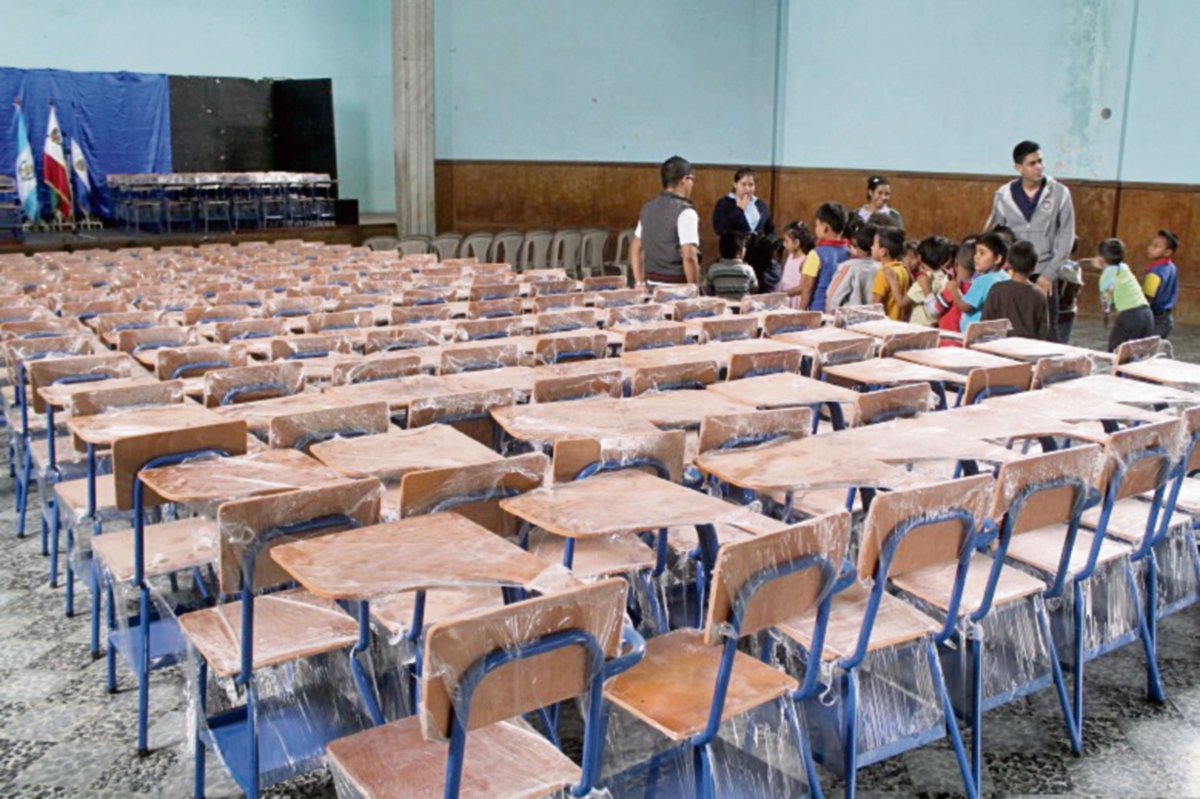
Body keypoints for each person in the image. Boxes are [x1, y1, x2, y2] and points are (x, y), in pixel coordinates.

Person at [985, 140, 1076, 342]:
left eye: (1040, 161)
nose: (1039, 167)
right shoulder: (1004, 195)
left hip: (1044, 273)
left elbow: (1066, 235)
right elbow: (994, 233)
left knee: (1047, 332)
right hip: (1013, 274)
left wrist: (1049, 274)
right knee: (1011, 330)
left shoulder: (1059, 193)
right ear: (1018, 167)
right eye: (1032, 163)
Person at [631, 155, 700, 287]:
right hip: (677, 286)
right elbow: (689, 256)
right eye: (692, 179)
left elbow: (635, 248)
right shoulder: (686, 212)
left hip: (652, 285)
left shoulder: (648, 208)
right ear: (685, 180)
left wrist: (639, 282)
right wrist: (694, 289)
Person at [1093, 238, 1154, 352]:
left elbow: (1106, 302)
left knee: (1116, 351)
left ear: (1101, 259)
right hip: (1147, 314)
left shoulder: (1106, 276)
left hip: (1130, 316)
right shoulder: (1124, 267)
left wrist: (1106, 315)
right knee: (1139, 354)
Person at [982, 240, 1051, 339]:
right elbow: (1043, 330)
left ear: (1008, 263)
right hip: (1028, 349)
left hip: (999, 348)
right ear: (1034, 266)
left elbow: (985, 324)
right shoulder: (1039, 294)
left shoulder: (996, 289)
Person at [949, 232, 1010, 332]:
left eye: (982, 253)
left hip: (974, 335)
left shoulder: (984, 280)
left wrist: (954, 289)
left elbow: (964, 306)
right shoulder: (1005, 277)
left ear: (997, 258)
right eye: (976, 252)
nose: (976, 257)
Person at [797, 202, 850, 312]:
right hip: (840, 310)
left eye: (817, 225)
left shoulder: (816, 254)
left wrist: (801, 310)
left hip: (818, 310)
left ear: (825, 227)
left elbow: (807, 288)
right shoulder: (850, 252)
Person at [928, 240, 976, 341]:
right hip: (966, 340)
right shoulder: (978, 287)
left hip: (948, 340)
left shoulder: (953, 287)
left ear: (956, 263)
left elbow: (933, 310)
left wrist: (926, 290)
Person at [827, 218, 880, 309]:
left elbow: (833, 298)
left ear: (856, 241)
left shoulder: (848, 267)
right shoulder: (881, 266)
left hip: (850, 320)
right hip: (874, 319)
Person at [711, 168, 774, 237]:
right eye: (743, 184)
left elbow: (769, 228)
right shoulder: (723, 203)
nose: (747, 188)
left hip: (756, 247)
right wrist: (739, 210)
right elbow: (719, 229)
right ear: (735, 184)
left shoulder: (759, 204)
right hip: (734, 246)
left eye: (751, 185)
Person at [1143, 229, 1180, 340]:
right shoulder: (1171, 267)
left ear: (1167, 252)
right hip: (1166, 319)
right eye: (1151, 245)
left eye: (1156, 246)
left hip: (1156, 319)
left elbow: (1147, 297)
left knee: (1143, 351)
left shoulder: (1155, 272)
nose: (1150, 248)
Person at [870, 226, 912, 320]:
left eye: (874, 244)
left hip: (884, 326)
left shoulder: (884, 272)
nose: (871, 247)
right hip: (898, 323)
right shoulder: (902, 268)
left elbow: (876, 305)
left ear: (883, 252)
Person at [703, 231, 759, 300]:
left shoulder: (713, 269)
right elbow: (754, 289)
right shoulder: (748, 270)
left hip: (722, 308)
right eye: (744, 248)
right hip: (742, 308)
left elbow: (708, 290)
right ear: (739, 252)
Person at [777, 221, 817, 308]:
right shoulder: (789, 255)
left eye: (787, 241)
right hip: (785, 299)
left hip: (794, 299)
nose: (784, 244)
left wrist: (785, 293)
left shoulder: (804, 260)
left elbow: (802, 286)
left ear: (796, 243)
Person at [1055, 237, 1083, 343]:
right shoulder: (1076, 268)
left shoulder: (1051, 267)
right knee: (1063, 342)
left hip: (1053, 311)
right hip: (1069, 310)